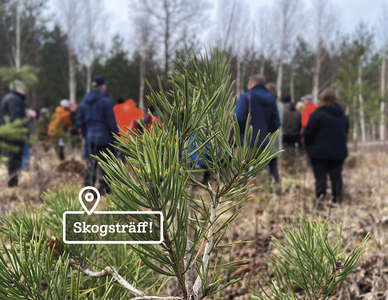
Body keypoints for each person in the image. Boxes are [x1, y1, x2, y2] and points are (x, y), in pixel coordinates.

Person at [303, 89, 348, 208]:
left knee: (320, 179)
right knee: (336, 178)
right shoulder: (342, 115)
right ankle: (338, 203)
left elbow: (308, 134)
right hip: (338, 153)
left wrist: (310, 147)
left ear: (321, 99)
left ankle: (319, 204)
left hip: (319, 154)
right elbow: (346, 132)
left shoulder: (317, 115)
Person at [77, 75, 118, 194]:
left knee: (91, 163)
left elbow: (80, 120)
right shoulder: (105, 101)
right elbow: (111, 121)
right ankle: (104, 190)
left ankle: (88, 188)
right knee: (106, 165)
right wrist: (116, 137)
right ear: (102, 86)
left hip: (90, 138)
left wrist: (86, 133)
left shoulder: (85, 102)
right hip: (105, 139)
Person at [234, 74, 280, 157]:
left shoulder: (246, 96)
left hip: (245, 143)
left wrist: (238, 133)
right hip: (263, 145)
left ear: (252, 84)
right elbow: (276, 123)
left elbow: (238, 118)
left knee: (238, 169)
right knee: (257, 170)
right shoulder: (271, 99)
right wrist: (264, 133)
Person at [0, 81, 28, 187]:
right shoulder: (14, 99)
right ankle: (13, 184)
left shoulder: (11, 98)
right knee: (14, 158)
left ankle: (13, 182)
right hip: (14, 134)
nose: (25, 90)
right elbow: (15, 118)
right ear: (18, 88)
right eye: (23, 88)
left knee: (13, 158)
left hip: (9, 132)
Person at [265, 83, 283, 191]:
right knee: (273, 164)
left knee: (268, 165)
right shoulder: (279, 105)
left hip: (269, 138)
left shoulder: (271, 105)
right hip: (276, 139)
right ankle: (276, 187)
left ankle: (269, 188)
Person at [282, 96, 301, 167]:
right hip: (294, 134)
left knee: (283, 150)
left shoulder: (283, 111)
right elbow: (299, 124)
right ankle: (291, 166)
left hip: (284, 134)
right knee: (292, 151)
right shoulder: (297, 112)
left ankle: (284, 164)